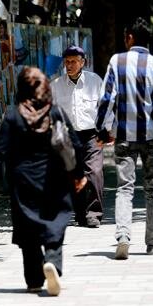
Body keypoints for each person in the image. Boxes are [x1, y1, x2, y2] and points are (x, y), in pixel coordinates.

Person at [0, 66, 86, 296]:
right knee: (54, 222)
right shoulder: (56, 113)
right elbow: (75, 144)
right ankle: (52, 260)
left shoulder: (13, 116)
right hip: (54, 180)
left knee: (28, 230)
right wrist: (79, 174)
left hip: (22, 182)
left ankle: (34, 280)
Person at [96, 17, 153, 260]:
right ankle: (152, 242)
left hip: (124, 138)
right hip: (150, 138)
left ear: (129, 37)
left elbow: (107, 98)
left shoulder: (116, 61)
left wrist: (102, 129)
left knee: (124, 188)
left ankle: (123, 237)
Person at [51, 45, 105, 228]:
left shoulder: (95, 81)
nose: (70, 65)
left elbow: (106, 107)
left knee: (94, 172)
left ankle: (94, 214)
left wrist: (108, 130)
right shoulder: (56, 86)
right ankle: (81, 213)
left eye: (74, 61)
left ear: (83, 63)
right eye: (67, 62)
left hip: (92, 135)